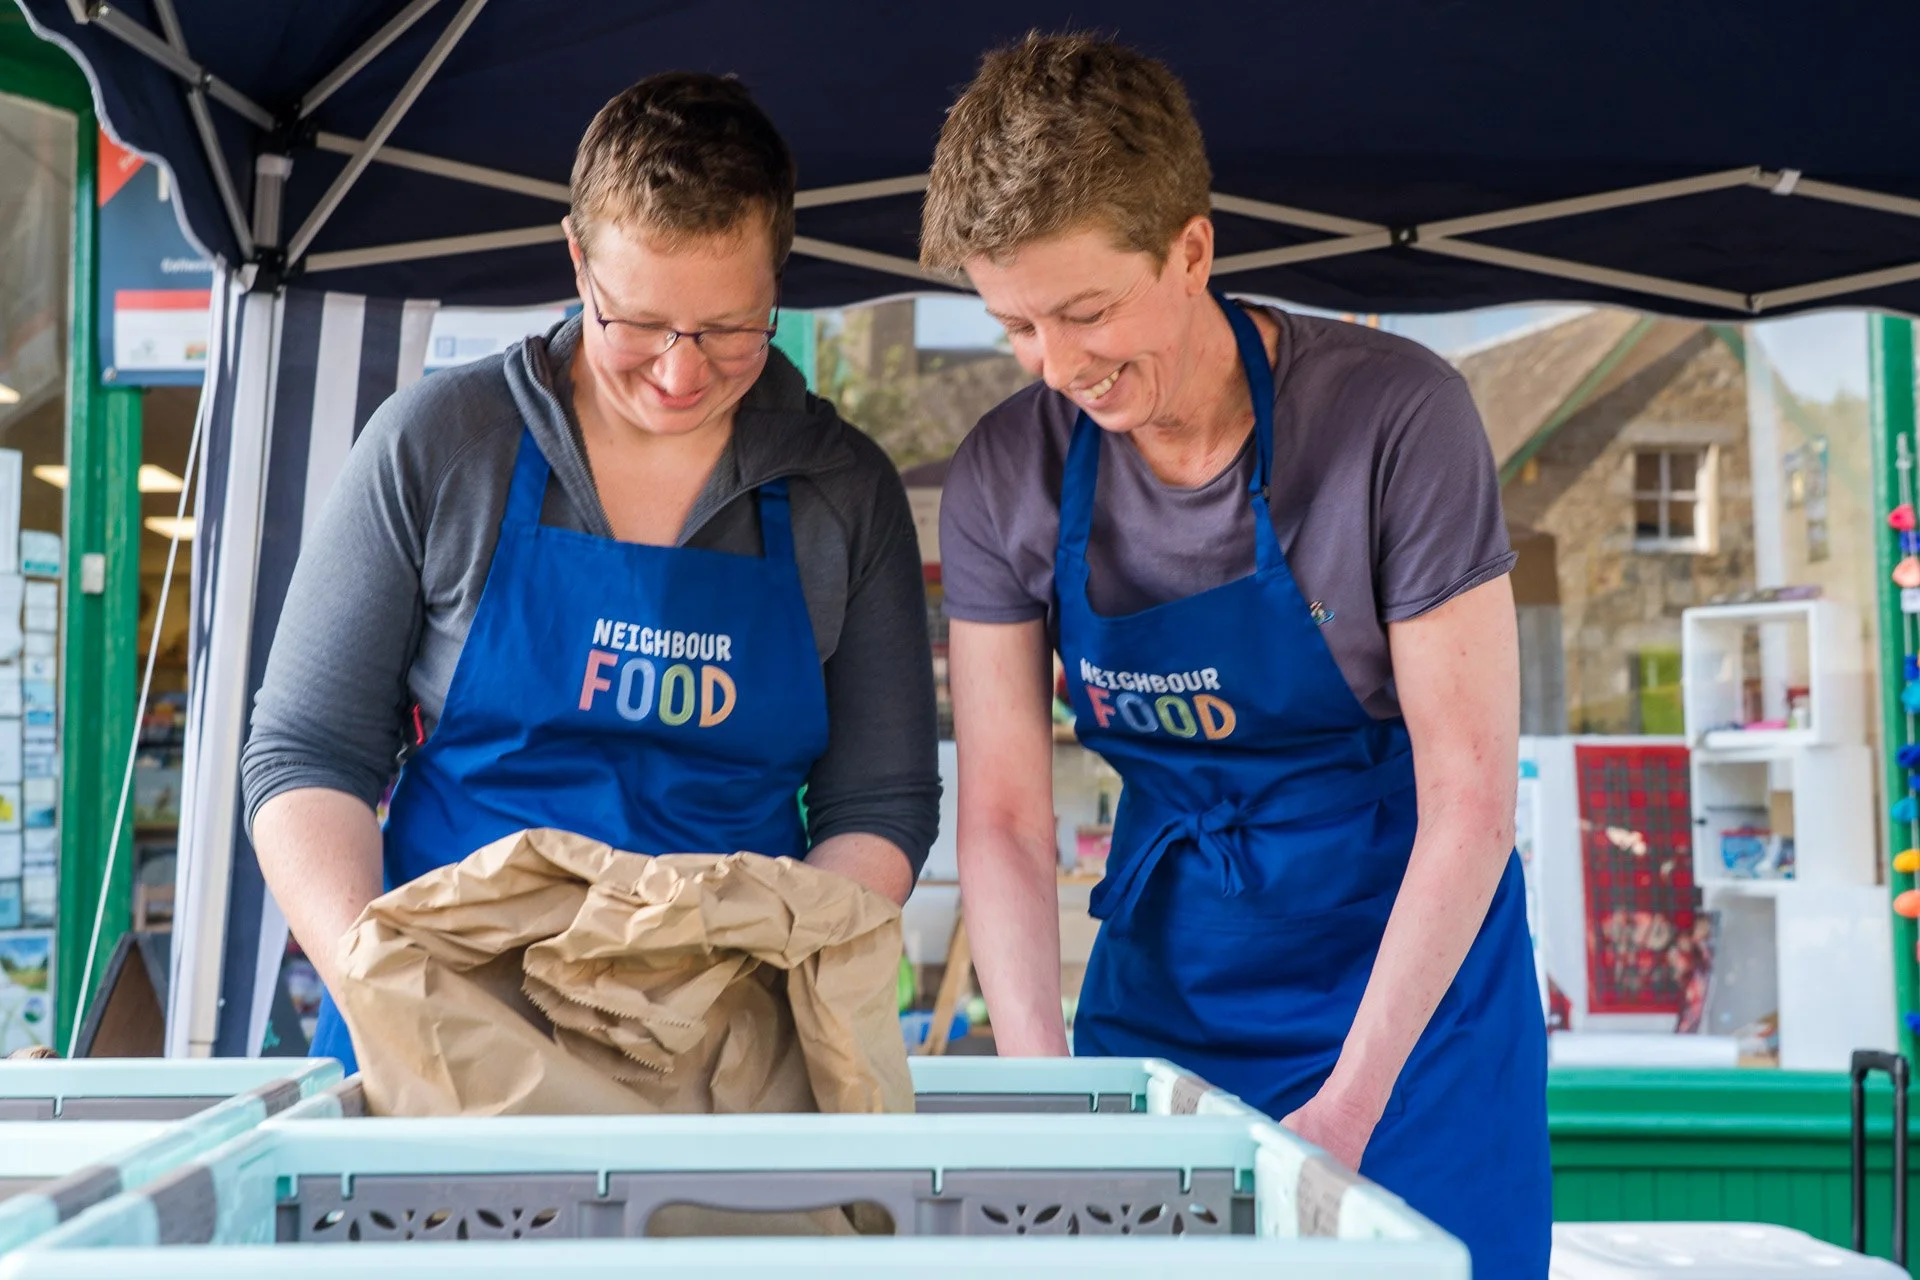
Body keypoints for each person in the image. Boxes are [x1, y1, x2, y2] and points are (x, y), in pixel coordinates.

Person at [922, 34, 1549, 1277]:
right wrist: (1044, 1100)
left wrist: (1351, 1104)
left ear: (1193, 250)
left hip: (1410, 1019)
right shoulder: (1007, 473)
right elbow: (999, 814)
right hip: (1169, 1005)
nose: (1058, 367)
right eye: (1017, 326)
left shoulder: (1395, 418)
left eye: (1088, 311)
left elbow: (1472, 800)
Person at [244, 72, 939, 1074]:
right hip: (445, 1024)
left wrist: (766, 1006)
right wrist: (380, 984)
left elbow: (880, 804)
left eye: (731, 328)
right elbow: (307, 751)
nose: (679, 371)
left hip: (722, 1045)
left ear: (778, 281)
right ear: (578, 258)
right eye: (642, 323)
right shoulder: (442, 447)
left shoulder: (846, 490)